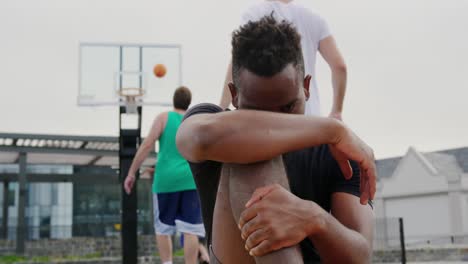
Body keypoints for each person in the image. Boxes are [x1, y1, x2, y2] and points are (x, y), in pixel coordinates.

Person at [177, 16, 375, 264]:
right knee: (246, 149)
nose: (273, 122)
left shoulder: (334, 152)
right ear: (235, 96)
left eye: (288, 107)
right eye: (257, 112)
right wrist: (335, 130)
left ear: (306, 87)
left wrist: (315, 219)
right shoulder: (212, 121)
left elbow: (360, 255)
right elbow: (199, 138)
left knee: (247, 144)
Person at [219, 0, 347, 119]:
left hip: (265, 118)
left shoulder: (255, 13)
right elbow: (339, 66)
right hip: (309, 117)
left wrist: (221, 109)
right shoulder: (314, 18)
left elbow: (238, 62)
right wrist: (336, 111)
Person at [124, 86, 206, 264]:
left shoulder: (163, 118)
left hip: (166, 182)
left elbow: (147, 145)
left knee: (163, 229)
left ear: (173, 100)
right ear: (189, 103)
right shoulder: (194, 120)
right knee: (191, 229)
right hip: (191, 181)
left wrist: (131, 173)